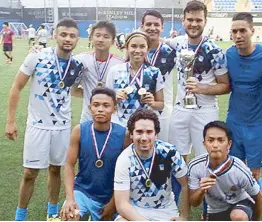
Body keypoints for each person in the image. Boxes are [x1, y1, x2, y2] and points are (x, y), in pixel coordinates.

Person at [5, 18, 83, 221]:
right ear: (55, 36)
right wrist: (10, 121)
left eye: (72, 35)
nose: (67, 39)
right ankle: (20, 215)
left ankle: (52, 211)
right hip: (37, 126)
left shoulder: (77, 65)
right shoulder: (37, 57)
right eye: (63, 34)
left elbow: (74, 91)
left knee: (56, 169)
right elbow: (16, 87)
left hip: (63, 127)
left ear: (77, 39)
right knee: (30, 173)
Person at [168, 0, 230, 161]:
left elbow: (226, 86)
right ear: (183, 21)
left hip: (204, 110)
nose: (194, 24)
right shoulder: (178, 42)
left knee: (205, 158)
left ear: (205, 22)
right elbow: (158, 42)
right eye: (190, 20)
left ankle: (201, 187)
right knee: (177, 157)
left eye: (198, 20)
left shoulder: (214, 50)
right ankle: (181, 187)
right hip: (180, 109)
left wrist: (201, 88)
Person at [225, 12, 262, 190]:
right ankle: (234, 207)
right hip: (234, 121)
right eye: (234, 31)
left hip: (259, 124)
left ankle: (254, 209)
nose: (238, 36)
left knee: (254, 173)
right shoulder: (229, 54)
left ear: (252, 31)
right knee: (234, 168)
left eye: (242, 31)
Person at [60, 88, 131, 221]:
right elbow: (69, 165)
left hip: (112, 195)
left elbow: (127, 174)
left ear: (114, 109)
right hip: (83, 192)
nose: (100, 109)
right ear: (90, 107)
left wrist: (113, 203)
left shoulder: (124, 135)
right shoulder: (79, 131)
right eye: (96, 105)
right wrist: (70, 198)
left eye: (106, 105)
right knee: (69, 217)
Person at [113, 109, 189, 221]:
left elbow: (185, 184)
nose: (144, 138)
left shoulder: (169, 152)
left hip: (165, 209)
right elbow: (122, 205)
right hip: (135, 209)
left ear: (156, 134)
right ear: (131, 135)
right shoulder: (124, 159)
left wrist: (183, 216)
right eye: (139, 132)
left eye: (149, 132)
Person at [188, 121, 262, 221]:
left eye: (220, 140)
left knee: (238, 216)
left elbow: (259, 197)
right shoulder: (195, 166)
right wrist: (202, 190)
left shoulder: (239, 169)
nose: (215, 145)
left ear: (229, 144)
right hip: (215, 209)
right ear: (204, 144)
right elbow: (194, 202)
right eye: (210, 140)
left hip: (241, 203)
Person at [106, 31, 164, 127]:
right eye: (133, 46)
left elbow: (161, 104)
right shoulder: (115, 70)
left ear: (148, 48)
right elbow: (106, 102)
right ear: (127, 48)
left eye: (142, 46)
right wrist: (115, 99)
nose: (137, 50)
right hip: (120, 124)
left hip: (144, 125)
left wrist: (152, 103)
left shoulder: (154, 72)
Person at [72, 20, 124, 123]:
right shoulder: (80, 60)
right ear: (91, 38)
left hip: (111, 118)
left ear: (113, 41)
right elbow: (73, 90)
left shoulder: (120, 64)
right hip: (88, 117)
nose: (101, 40)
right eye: (98, 35)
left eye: (106, 37)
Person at [141, 9, 176, 141]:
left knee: (162, 149)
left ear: (162, 27)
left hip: (163, 110)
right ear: (142, 26)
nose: (152, 28)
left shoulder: (171, 52)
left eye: (156, 25)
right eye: (148, 24)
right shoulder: (135, 50)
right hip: (138, 107)